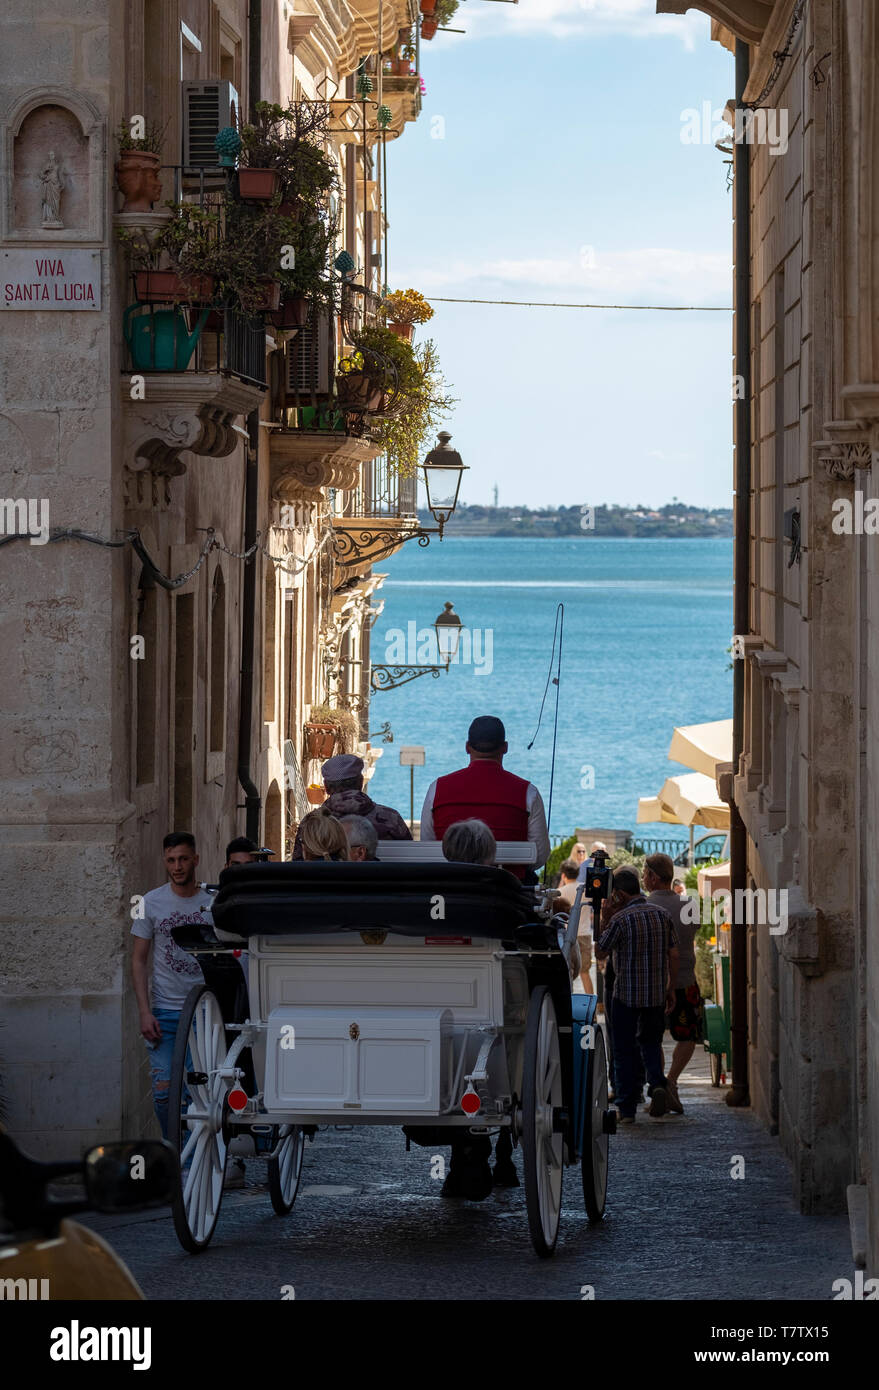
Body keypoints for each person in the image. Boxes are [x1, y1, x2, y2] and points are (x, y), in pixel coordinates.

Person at [130, 833, 214, 1141]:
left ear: (195, 859)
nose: (177, 866)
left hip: (203, 1013)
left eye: (182, 859)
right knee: (163, 1091)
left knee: (197, 1094)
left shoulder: (212, 903)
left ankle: (191, 1167)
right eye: (171, 860)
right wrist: (144, 1011)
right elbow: (138, 960)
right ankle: (173, 1149)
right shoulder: (149, 903)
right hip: (164, 1011)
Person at [594, 866, 679, 1124]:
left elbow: (600, 952)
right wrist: (670, 987)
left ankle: (627, 1109)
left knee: (623, 1050)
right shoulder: (661, 914)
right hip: (655, 994)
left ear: (619, 894)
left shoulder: (620, 920)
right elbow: (674, 954)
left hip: (625, 996)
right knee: (651, 1043)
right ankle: (656, 1084)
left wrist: (605, 917)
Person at [419, 715, 550, 881]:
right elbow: (539, 855)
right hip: (507, 891)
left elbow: (428, 845)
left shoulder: (437, 788)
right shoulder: (527, 792)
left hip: (450, 887)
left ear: (467, 747)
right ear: (505, 748)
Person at [644, 853, 703, 1115]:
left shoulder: (644, 907)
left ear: (654, 877)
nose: (643, 878)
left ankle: (660, 1084)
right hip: (685, 980)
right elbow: (694, 930)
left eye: (645, 873)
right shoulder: (689, 905)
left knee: (651, 1037)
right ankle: (672, 1081)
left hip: (653, 983)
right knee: (687, 1035)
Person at [291, 754, 410, 858]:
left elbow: (298, 864)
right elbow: (410, 856)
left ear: (326, 787)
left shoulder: (311, 823)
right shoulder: (391, 818)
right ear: (361, 782)